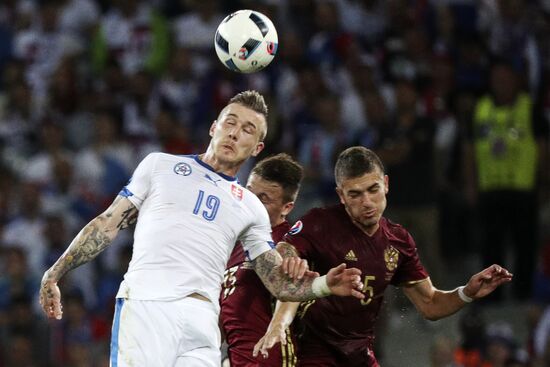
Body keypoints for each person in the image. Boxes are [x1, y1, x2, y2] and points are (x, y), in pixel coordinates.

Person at [39, 91, 365, 367]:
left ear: (257, 148)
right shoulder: (160, 166)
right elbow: (108, 224)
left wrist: (322, 285)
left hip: (202, 323)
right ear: (214, 128)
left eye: (248, 130)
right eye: (230, 123)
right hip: (149, 305)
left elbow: (276, 281)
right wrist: (56, 272)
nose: (235, 133)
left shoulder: (250, 206)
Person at [254, 146, 513, 367]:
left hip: (360, 355)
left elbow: (430, 304)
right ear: (341, 196)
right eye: (355, 194)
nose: (367, 201)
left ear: (386, 184)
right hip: (312, 354)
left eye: (373, 189)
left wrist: (467, 292)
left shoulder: (398, 242)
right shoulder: (320, 224)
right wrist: (289, 258)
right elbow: (285, 250)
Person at [220, 153, 304, 366]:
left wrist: (278, 326)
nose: (251, 204)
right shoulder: (236, 243)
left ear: (287, 207)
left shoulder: (288, 242)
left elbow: (289, 290)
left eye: (263, 199)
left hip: (270, 359)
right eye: (248, 193)